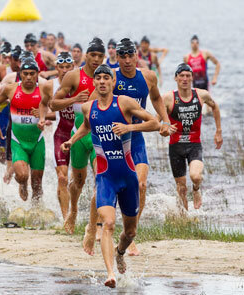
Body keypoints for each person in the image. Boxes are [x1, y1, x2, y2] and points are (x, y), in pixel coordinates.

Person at [61, 64, 160, 288]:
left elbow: (154, 123)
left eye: (107, 78)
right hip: (105, 177)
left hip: (128, 177)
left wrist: (129, 129)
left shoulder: (124, 102)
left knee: (130, 231)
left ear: (113, 82)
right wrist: (72, 140)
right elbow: (86, 127)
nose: (103, 81)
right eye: (99, 78)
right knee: (108, 223)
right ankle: (110, 274)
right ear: (95, 83)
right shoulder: (88, 107)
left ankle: (120, 252)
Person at [87, 38, 173, 256]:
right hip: (111, 142)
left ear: (136, 56)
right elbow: (92, 105)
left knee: (141, 184)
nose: (126, 61)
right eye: (121, 56)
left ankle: (130, 233)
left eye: (130, 56)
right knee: (104, 184)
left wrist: (164, 121)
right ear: (116, 57)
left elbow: (156, 98)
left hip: (135, 139)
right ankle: (94, 227)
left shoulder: (148, 76)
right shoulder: (111, 77)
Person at [50, 37, 106, 236]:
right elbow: (53, 105)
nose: (96, 59)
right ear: (86, 55)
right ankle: (73, 210)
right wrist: (74, 99)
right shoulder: (74, 77)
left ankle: (97, 226)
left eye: (100, 56)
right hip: (79, 137)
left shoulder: (108, 77)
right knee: (78, 183)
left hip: (100, 137)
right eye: (93, 55)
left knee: (101, 180)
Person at [160, 63, 222, 211]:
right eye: (181, 76)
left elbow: (215, 106)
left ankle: (196, 189)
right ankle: (184, 217)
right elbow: (157, 122)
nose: (185, 79)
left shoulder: (201, 95)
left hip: (194, 145)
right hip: (175, 147)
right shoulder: (168, 98)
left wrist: (218, 130)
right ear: (176, 78)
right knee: (181, 188)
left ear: (192, 78)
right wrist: (164, 129)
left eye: (188, 76)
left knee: (195, 176)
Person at [0, 58, 52, 204]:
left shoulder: (44, 90)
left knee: (37, 183)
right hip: (18, 141)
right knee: (23, 175)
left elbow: (54, 112)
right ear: (20, 74)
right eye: (25, 74)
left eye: (32, 73)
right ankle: (22, 184)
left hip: (37, 142)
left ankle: (36, 211)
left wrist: (43, 117)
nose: (29, 77)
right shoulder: (11, 89)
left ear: (37, 74)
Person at [39, 52, 75, 219]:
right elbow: (43, 104)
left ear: (73, 67)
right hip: (60, 135)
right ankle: (65, 218)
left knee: (77, 180)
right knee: (62, 177)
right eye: (61, 67)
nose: (65, 70)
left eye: (68, 67)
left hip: (79, 135)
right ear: (56, 68)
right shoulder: (49, 85)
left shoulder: (79, 84)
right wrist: (41, 118)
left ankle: (74, 209)